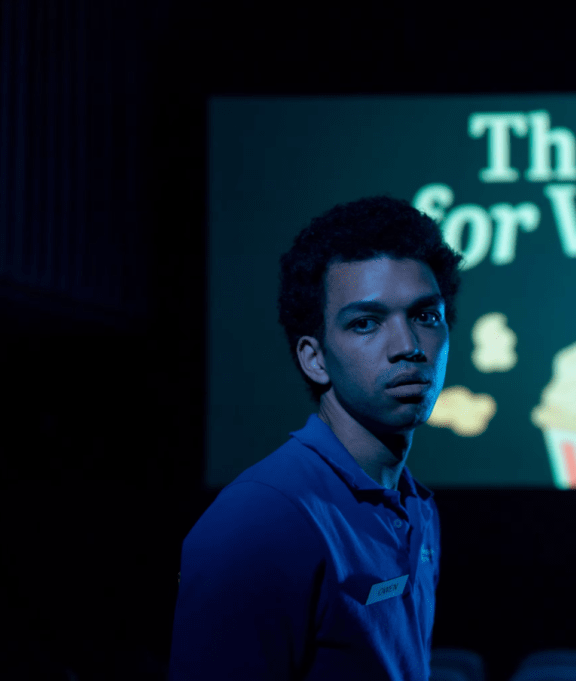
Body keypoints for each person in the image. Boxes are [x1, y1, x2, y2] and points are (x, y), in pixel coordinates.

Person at [169, 196, 463, 680]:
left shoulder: (415, 506)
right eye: (365, 323)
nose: (409, 346)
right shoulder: (261, 519)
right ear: (314, 358)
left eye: (425, 316)